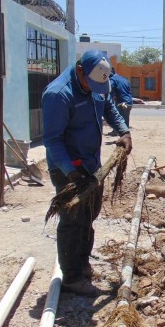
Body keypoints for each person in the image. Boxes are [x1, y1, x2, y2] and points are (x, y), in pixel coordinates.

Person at [42, 50, 133, 297]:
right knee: (73, 220)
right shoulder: (59, 95)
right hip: (68, 168)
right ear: (80, 69)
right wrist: (71, 172)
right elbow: (52, 140)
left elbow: (109, 108)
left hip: (92, 163)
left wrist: (123, 131)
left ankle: (81, 265)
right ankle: (71, 278)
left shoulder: (96, 85)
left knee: (89, 215)